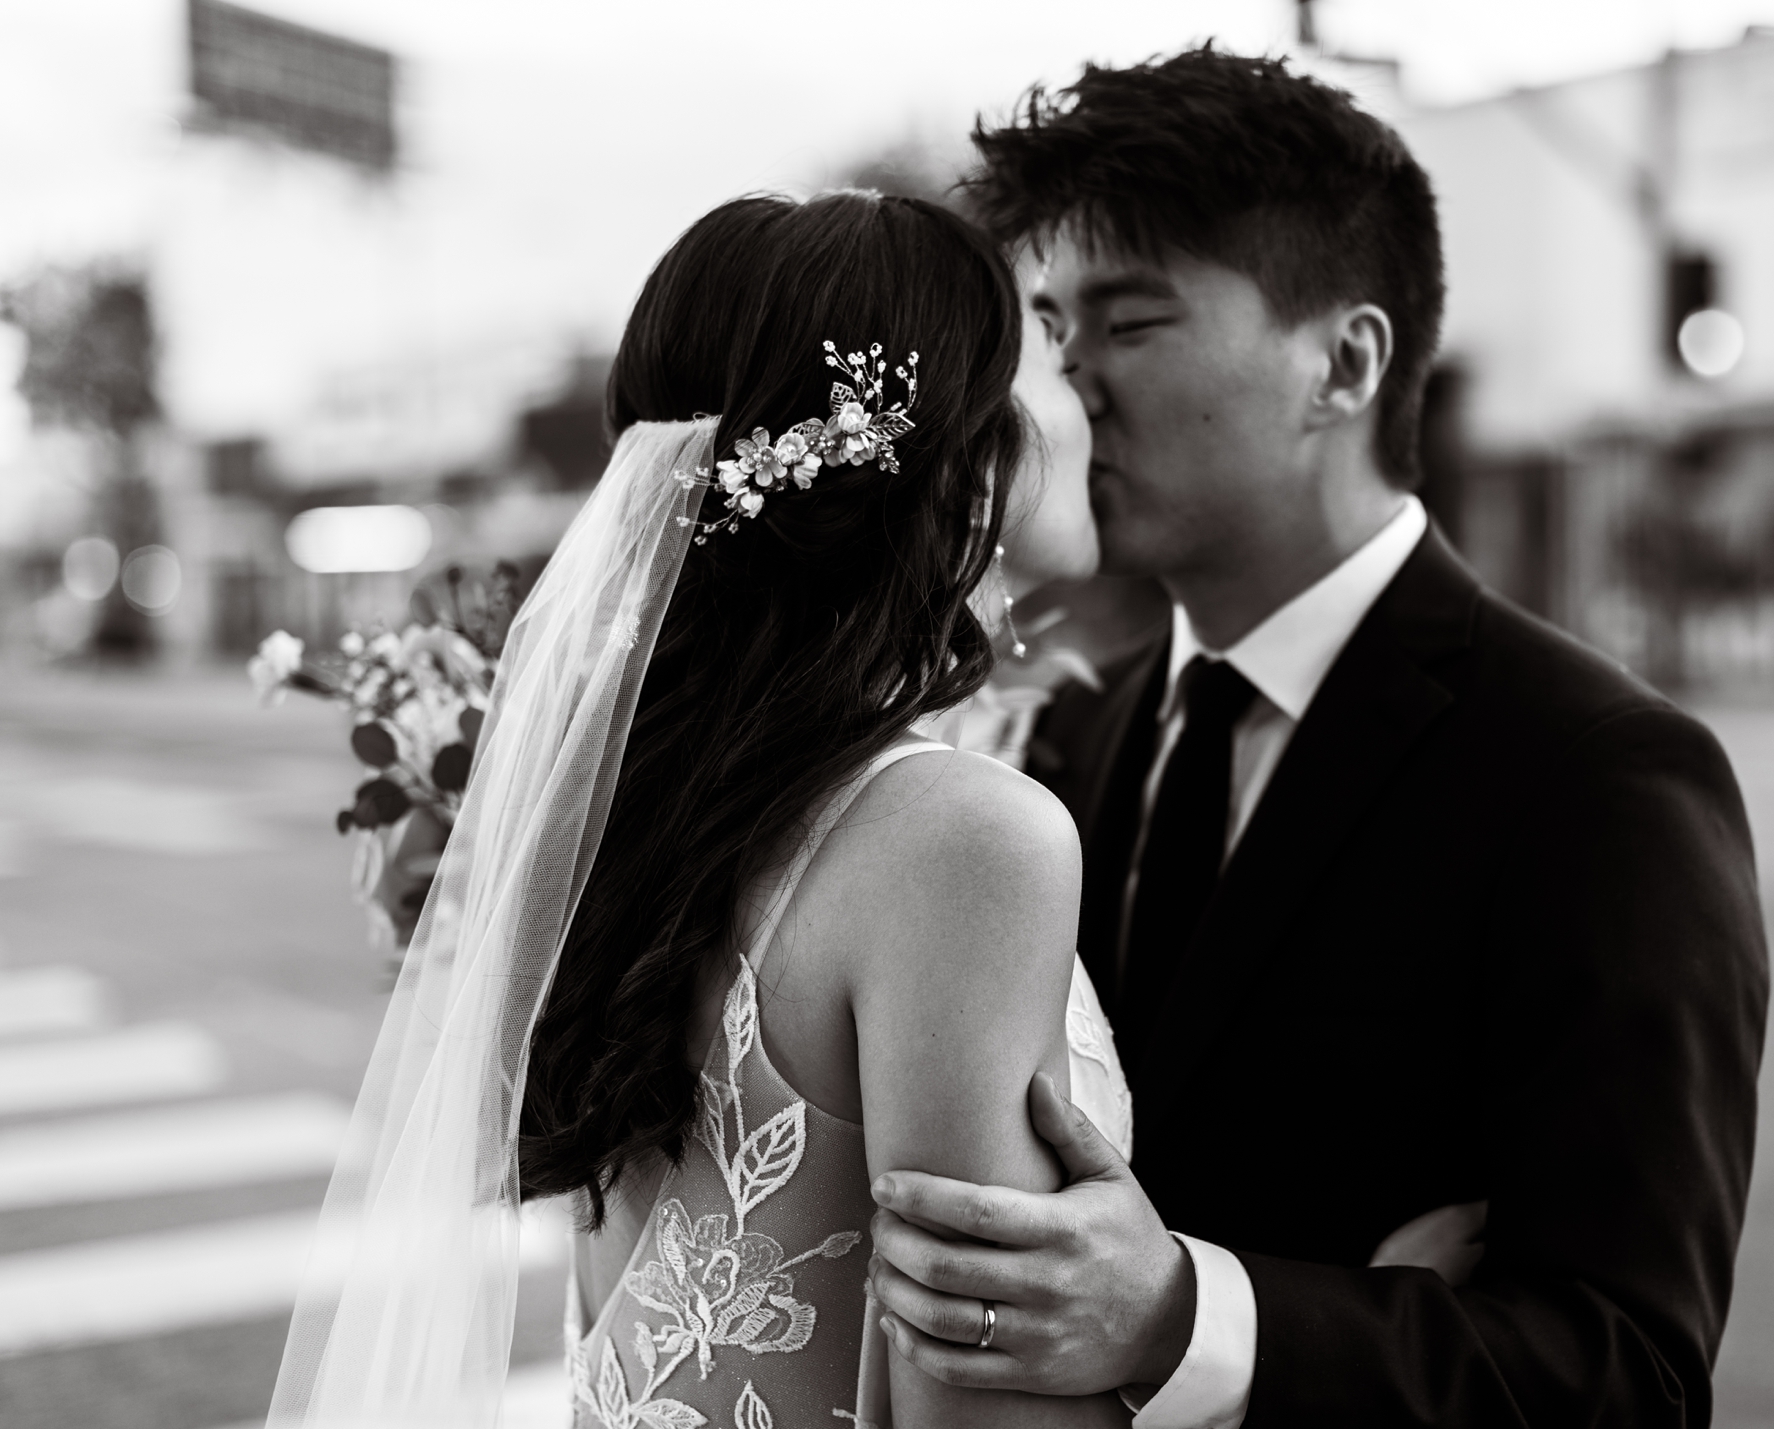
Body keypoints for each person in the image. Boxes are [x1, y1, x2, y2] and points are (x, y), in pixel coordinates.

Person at [865, 49, 1772, 1428]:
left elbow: (1629, 1371)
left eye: (1133, 322)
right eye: (1048, 328)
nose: (1061, 393)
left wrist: (1188, 1315)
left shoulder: (1595, 776)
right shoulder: (1060, 743)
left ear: (1344, 362)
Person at [266, 189, 1134, 1429]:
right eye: (1035, 356)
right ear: (962, 457)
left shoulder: (630, 808)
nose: (1080, 398)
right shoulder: (962, 840)